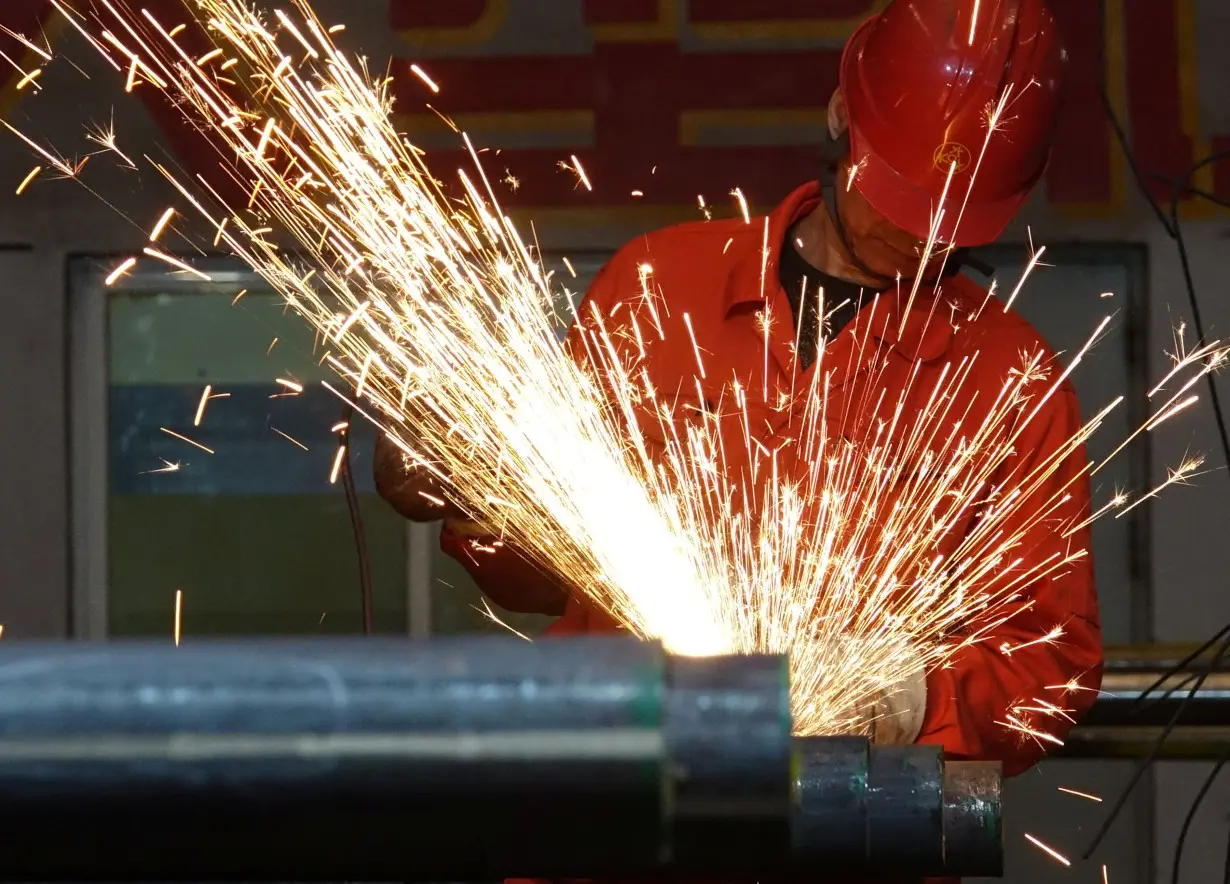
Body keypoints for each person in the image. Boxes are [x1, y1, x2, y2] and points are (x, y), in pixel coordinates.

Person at [376, 0, 1102, 822]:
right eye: (898, 200)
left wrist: (914, 695)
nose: (916, 236)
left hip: (844, 840)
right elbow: (549, 579)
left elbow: (1053, 668)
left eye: (946, 220)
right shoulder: (657, 285)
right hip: (619, 828)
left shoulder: (1011, 378)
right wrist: (484, 502)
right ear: (840, 115)